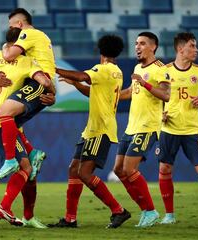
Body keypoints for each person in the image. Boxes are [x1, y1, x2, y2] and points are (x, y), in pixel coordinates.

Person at [0, 28, 51, 230]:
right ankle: (5, 207)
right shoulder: (27, 62)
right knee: (26, 167)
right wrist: (50, 92)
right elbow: (46, 82)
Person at [48, 35, 131, 229]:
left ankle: (118, 210)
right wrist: (76, 85)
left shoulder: (103, 69)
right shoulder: (115, 72)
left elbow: (82, 75)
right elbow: (91, 91)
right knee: (73, 169)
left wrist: (53, 69)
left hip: (100, 129)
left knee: (84, 173)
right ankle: (70, 219)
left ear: (100, 50)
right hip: (91, 129)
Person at [157, 32, 198, 224]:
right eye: (192, 46)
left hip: (192, 129)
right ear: (180, 48)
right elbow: (155, 98)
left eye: (196, 46)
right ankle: (169, 215)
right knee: (164, 169)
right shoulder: (165, 71)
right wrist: (159, 114)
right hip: (169, 129)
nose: (196, 50)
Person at [112, 32, 171, 228]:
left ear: (153, 47)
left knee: (130, 169)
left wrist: (144, 83)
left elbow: (166, 95)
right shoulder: (138, 67)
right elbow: (131, 92)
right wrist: (110, 96)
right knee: (119, 170)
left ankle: (150, 211)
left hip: (147, 127)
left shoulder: (160, 69)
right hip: (131, 127)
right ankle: (146, 210)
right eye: (136, 43)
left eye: (142, 43)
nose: (137, 47)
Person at [0, 7, 56, 180]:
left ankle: (10, 160)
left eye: (12, 25)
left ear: (20, 24)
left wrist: (5, 47)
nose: (10, 29)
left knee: (4, 111)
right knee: (9, 121)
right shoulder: (42, 36)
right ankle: (32, 152)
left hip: (39, 81)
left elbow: (9, 56)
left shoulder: (27, 34)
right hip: (40, 82)